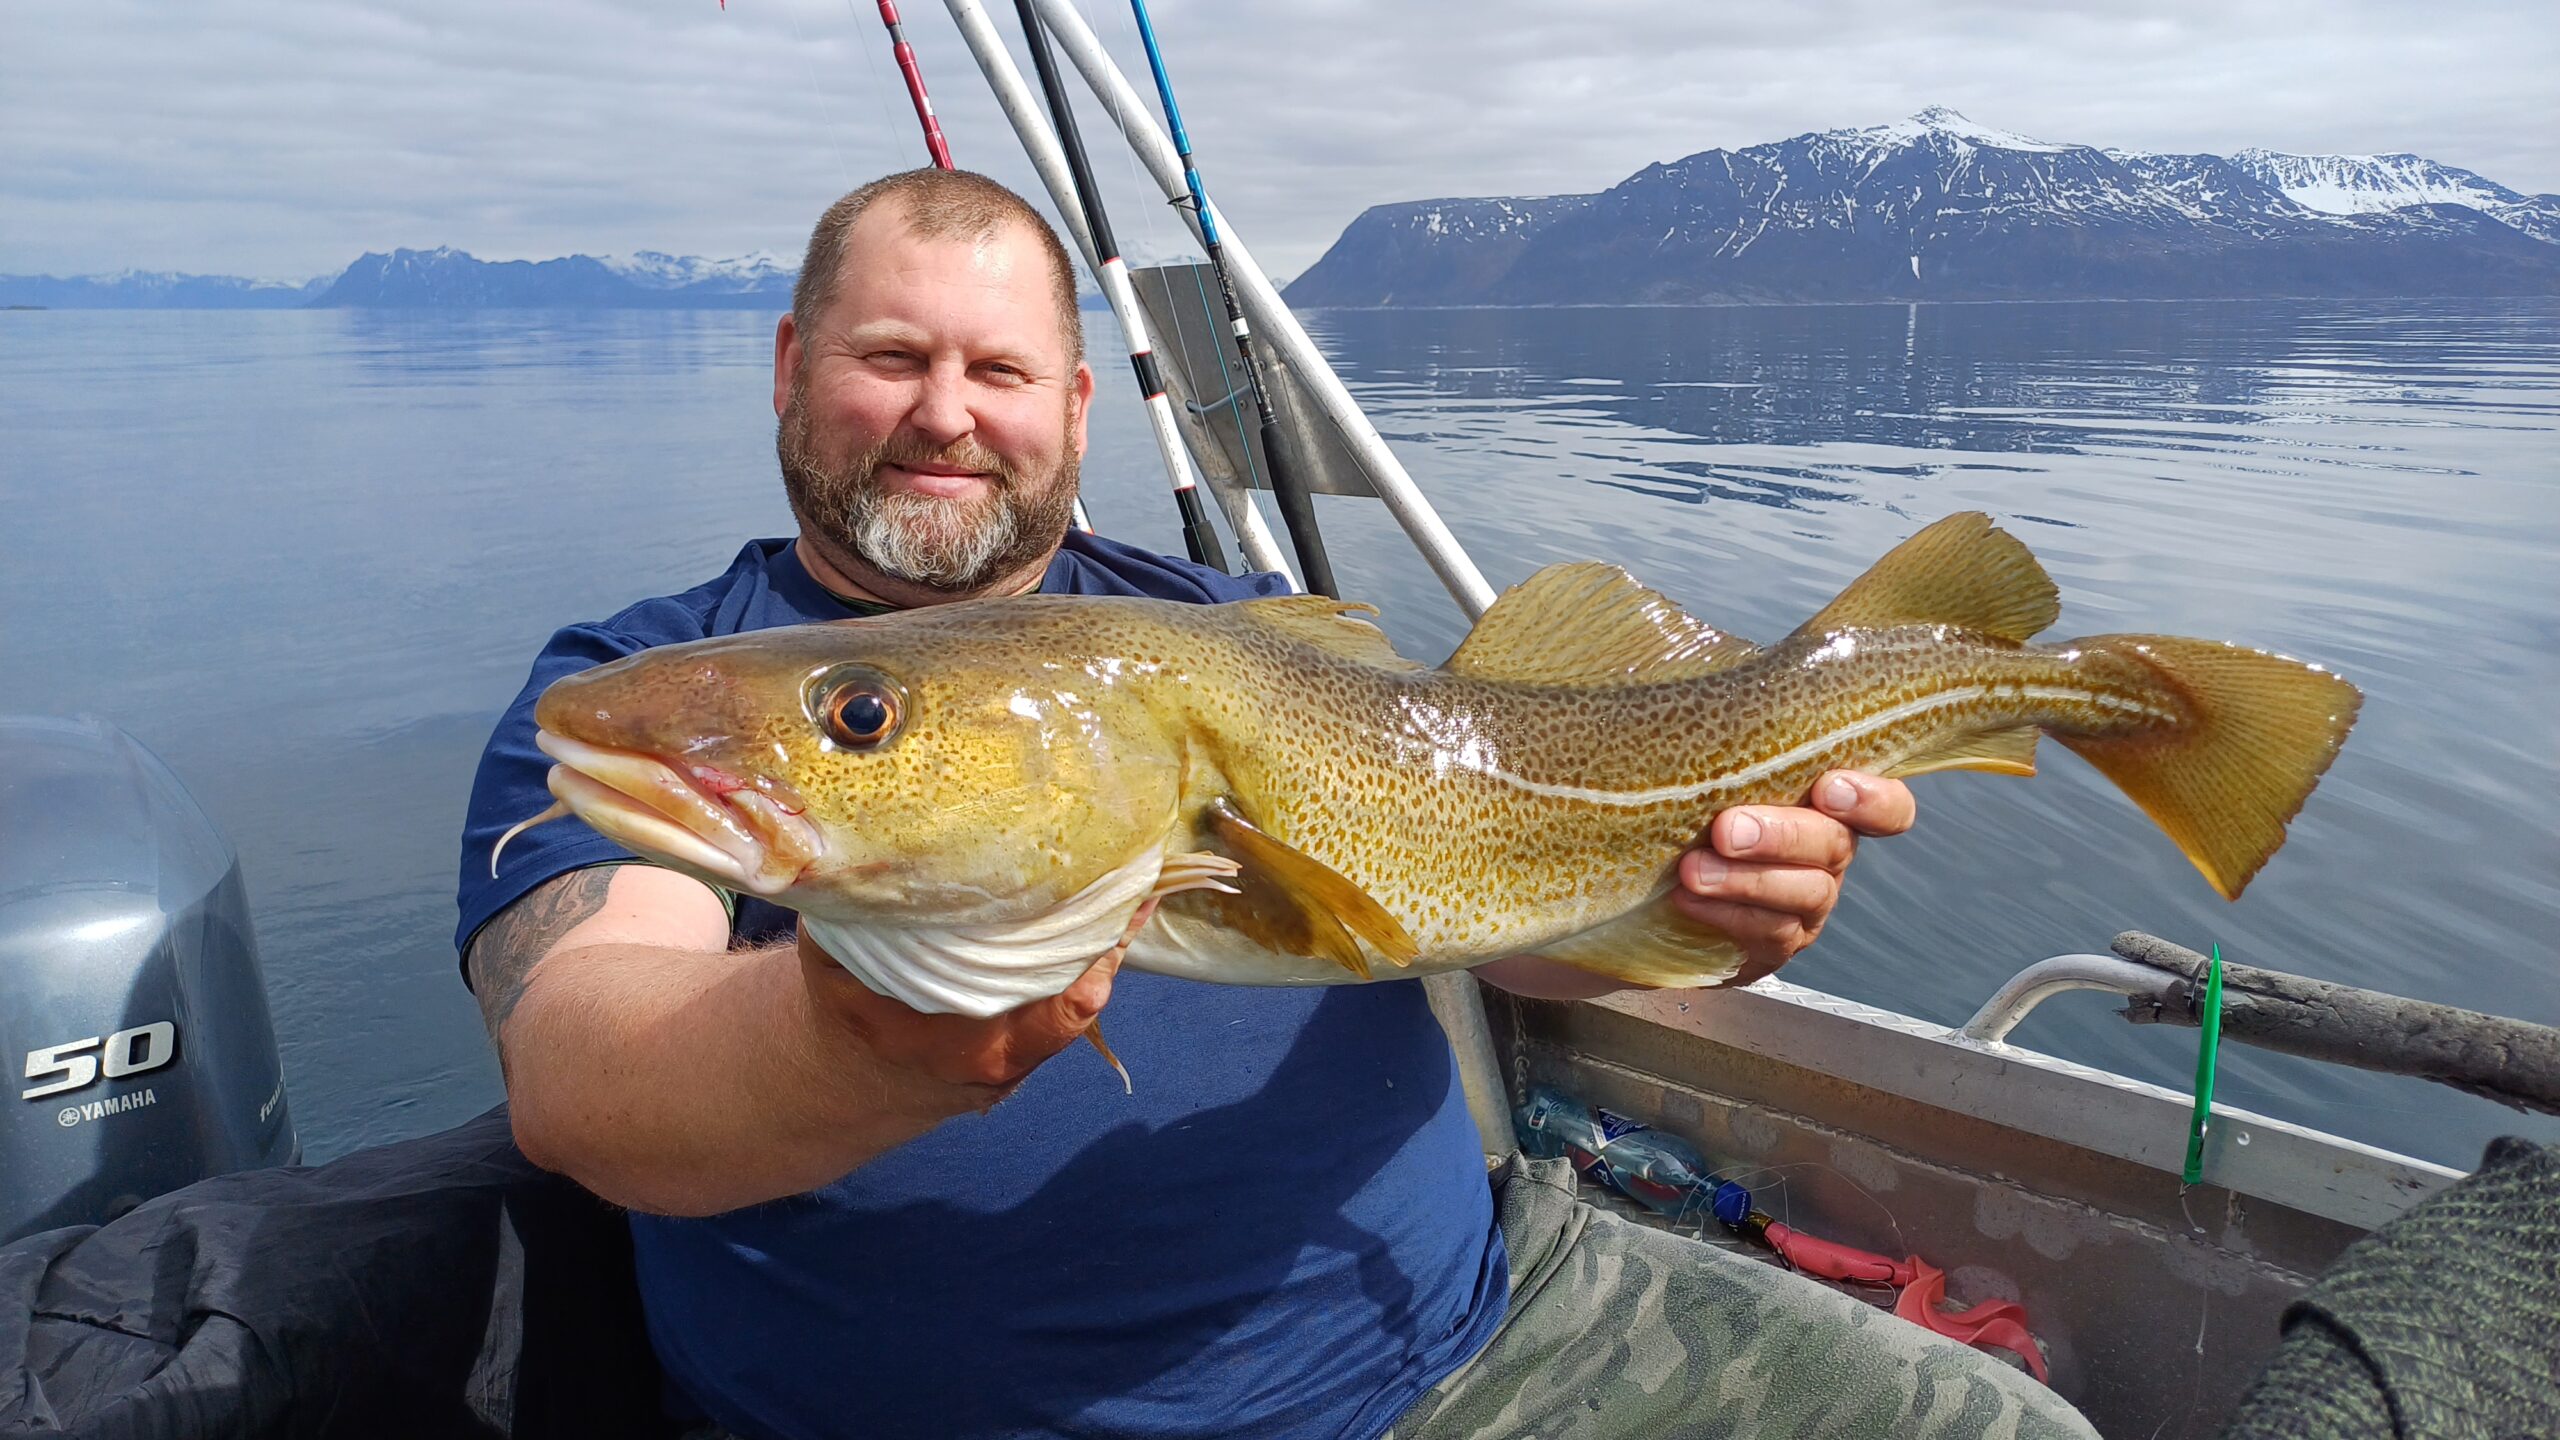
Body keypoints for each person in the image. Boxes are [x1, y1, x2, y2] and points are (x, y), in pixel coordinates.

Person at [454, 168, 2092, 1440]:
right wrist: (864, 1033)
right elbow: (587, 1069)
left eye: (1000, 368)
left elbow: (1484, 927)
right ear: (791, 371)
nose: (947, 411)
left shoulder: (1243, 632)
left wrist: (1689, 916)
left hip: (1472, 1347)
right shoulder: (662, 692)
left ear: (1078, 413)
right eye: (893, 357)